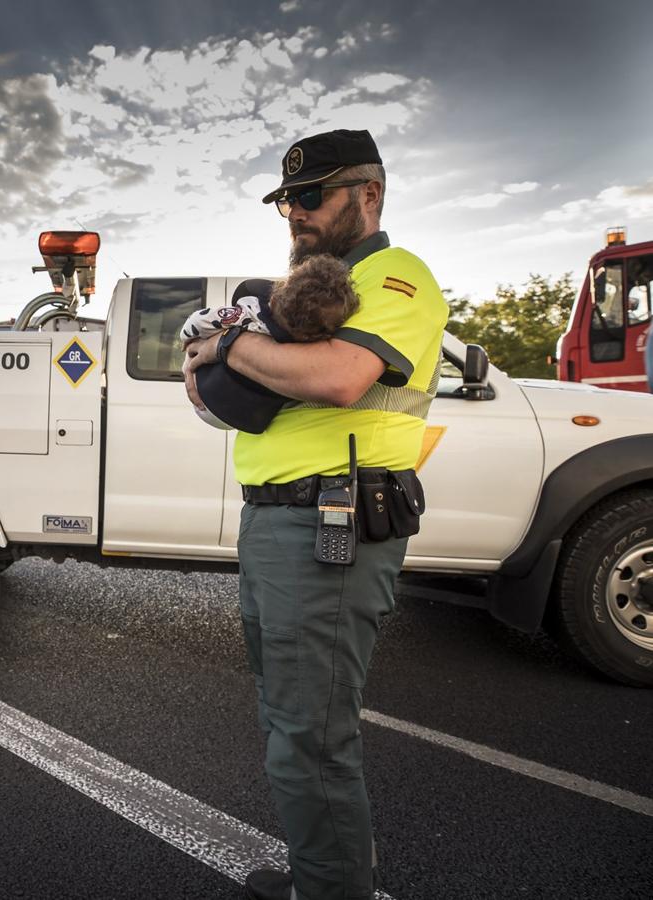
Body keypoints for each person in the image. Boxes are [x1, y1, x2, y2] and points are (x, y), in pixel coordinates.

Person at [183, 128, 448, 900]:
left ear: (368, 194)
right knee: (291, 718)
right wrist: (225, 365)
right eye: (285, 201)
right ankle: (329, 876)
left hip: (328, 526)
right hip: (279, 524)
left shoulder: (395, 274)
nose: (294, 214)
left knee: (310, 737)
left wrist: (228, 346)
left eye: (310, 196)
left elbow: (338, 377)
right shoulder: (303, 290)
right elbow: (237, 395)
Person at [181, 254, 359, 431]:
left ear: (274, 300)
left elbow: (199, 320)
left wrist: (187, 339)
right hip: (250, 416)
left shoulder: (250, 312)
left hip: (209, 396)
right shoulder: (309, 351)